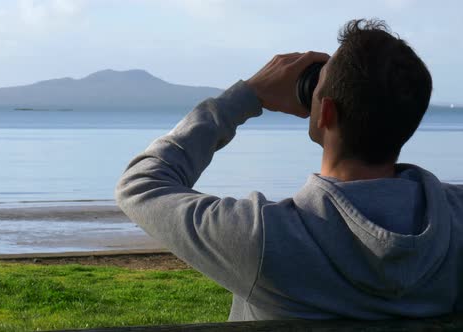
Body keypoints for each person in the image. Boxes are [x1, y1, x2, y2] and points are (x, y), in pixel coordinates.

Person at [115, 19, 463, 320]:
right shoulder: (455, 218)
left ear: (325, 114)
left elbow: (140, 185)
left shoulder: (264, 237)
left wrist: (245, 96)